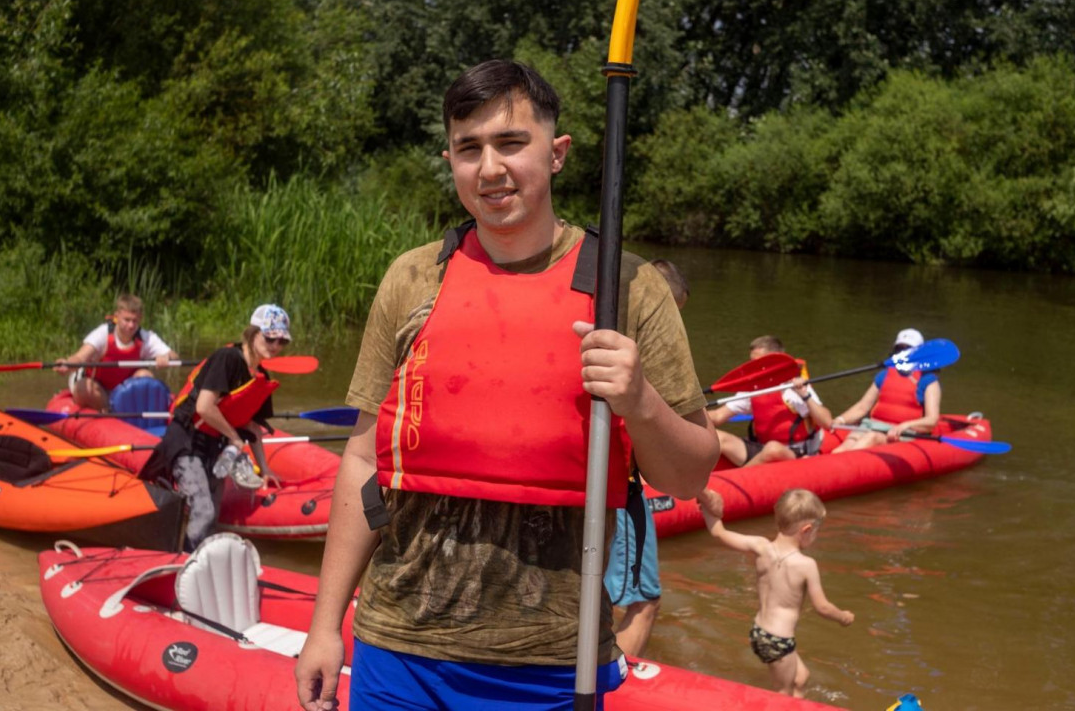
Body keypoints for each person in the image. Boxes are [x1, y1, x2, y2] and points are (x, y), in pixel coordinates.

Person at [294, 60, 718, 711]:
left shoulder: (628, 288)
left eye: (510, 143)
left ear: (557, 152)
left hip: (552, 661)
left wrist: (640, 401)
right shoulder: (412, 279)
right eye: (469, 149)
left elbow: (690, 476)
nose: (489, 168)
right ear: (451, 160)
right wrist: (325, 625)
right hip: (395, 648)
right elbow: (361, 457)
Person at [137, 304, 288, 551]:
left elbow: (252, 427)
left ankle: (194, 560)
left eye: (282, 341)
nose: (275, 345)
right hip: (187, 440)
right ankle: (184, 565)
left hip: (215, 449)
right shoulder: (227, 358)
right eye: (270, 337)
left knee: (211, 515)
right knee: (204, 512)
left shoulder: (261, 377)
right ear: (253, 334)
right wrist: (235, 439)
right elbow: (204, 407)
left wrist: (266, 469)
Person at [603, 258, 690, 658]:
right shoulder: (640, 353)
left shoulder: (607, 340)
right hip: (619, 488)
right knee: (644, 601)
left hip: (600, 483)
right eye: (674, 311)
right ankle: (615, 692)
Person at [698, 487, 853, 698]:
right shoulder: (806, 564)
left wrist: (706, 506)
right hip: (779, 640)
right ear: (806, 530)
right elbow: (822, 607)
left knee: (801, 677)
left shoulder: (761, 546)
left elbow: (719, 532)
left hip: (759, 632)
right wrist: (843, 616)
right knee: (783, 694)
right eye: (816, 532)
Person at [706, 336, 832, 466]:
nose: (754, 367)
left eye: (759, 362)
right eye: (752, 362)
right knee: (716, 438)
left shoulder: (793, 387)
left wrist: (804, 394)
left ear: (776, 360)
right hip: (761, 448)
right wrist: (687, 417)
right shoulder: (753, 389)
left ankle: (735, 479)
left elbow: (827, 423)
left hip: (794, 453)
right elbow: (718, 416)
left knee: (772, 449)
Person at [54, 294, 178, 410]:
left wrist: (166, 357)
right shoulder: (102, 334)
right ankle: (110, 411)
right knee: (84, 389)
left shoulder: (145, 337)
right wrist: (67, 364)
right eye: (127, 320)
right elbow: (80, 357)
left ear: (140, 319)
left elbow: (174, 356)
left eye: (135, 321)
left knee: (145, 375)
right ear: (116, 316)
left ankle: (121, 410)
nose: (131, 325)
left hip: (124, 391)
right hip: (98, 388)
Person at [831, 328, 941, 454]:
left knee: (872, 437)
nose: (903, 353)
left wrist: (905, 426)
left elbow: (931, 421)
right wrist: (839, 420)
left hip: (903, 433)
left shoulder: (928, 381)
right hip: (872, 425)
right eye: (899, 349)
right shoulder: (884, 375)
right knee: (841, 449)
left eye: (908, 350)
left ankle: (842, 466)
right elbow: (862, 407)